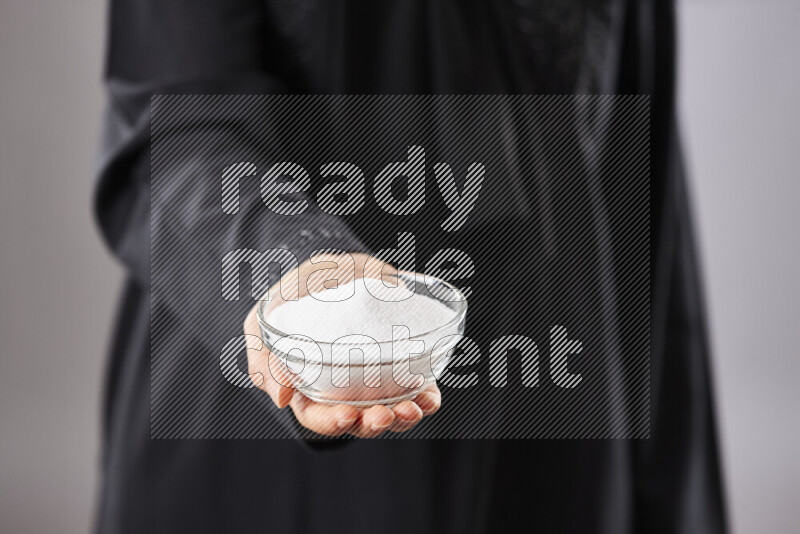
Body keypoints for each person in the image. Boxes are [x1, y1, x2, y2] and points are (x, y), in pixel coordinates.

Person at [93, 1, 726, 532]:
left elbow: (635, 177)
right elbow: (174, 123)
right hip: (274, 455)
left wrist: (670, 499)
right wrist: (303, 275)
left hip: (562, 438)